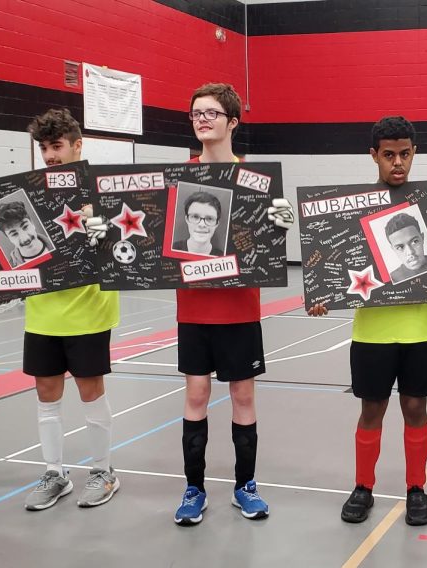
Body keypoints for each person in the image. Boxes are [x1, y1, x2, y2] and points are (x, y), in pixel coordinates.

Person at [172, 83, 295, 526]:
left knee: (243, 396)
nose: (202, 119)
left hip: (240, 309)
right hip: (194, 310)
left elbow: (266, 247)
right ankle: (194, 488)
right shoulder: (176, 178)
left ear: (232, 122)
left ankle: (246, 486)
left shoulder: (257, 181)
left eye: (211, 113)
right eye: (196, 113)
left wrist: (281, 225)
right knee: (197, 394)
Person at [308, 116, 427, 527]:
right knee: (372, 410)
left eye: (404, 153)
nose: (397, 162)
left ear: (414, 152)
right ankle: (363, 485)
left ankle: (416, 488)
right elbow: (333, 263)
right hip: (372, 332)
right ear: (374, 156)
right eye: (388, 155)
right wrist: (322, 294)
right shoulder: (355, 209)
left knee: (415, 408)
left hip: (422, 330)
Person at [22, 108, 120, 511]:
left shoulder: (104, 189)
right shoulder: (29, 192)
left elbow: (125, 248)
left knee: (90, 391)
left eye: (57, 146)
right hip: (43, 310)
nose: (49, 155)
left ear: (78, 145)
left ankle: (103, 471)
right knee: (46, 394)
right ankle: (55, 473)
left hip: (89, 310)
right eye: (44, 148)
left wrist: (102, 228)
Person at [0, 200, 52, 266]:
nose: (25, 239)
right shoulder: (10, 269)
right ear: (9, 238)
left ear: (32, 223)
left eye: (25, 227)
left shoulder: (57, 240)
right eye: (14, 234)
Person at [383, 212, 427, 282]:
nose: (410, 252)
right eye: (400, 247)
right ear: (393, 249)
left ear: (422, 238)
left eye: (415, 242)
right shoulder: (392, 279)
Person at [173, 191, 225, 256]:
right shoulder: (173, 248)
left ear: (217, 224)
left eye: (209, 218)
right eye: (195, 216)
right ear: (187, 220)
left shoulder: (223, 257)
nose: (202, 224)